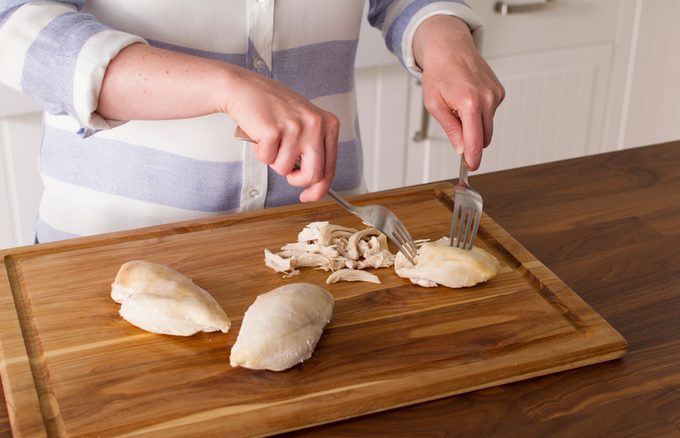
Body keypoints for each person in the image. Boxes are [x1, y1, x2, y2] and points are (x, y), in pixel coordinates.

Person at [0, 0, 504, 243]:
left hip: (323, 237)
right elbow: (16, 24)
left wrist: (442, 35)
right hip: (111, 246)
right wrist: (223, 86)